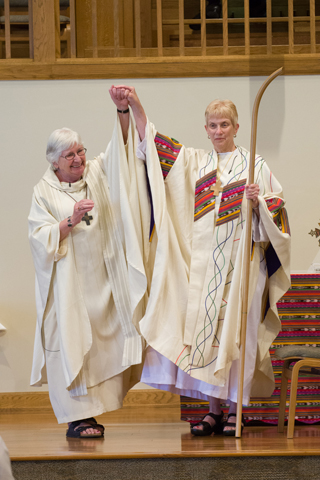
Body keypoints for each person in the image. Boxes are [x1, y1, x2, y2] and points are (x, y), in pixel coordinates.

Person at [109, 85, 291, 436]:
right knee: (203, 336)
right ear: (205, 128)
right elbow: (154, 143)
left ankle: (237, 410)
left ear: (237, 127)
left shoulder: (256, 165)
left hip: (242, 269)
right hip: (202, 268)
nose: (219, 131)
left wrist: (261, 203)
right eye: (212, 125)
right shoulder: (194, 162)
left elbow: (279, 216)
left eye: (225, 124)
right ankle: (213, 411)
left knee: (238, 334)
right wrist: (134, 105)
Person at [28, 111, 147, 438]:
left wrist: (124, 111)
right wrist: (71, 220)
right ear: (54, 162)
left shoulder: (96, 171)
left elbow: (122, 148)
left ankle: (94, 414)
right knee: (72, 341)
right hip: (71, 286)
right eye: (69, 155)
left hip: (106, 279)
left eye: (80, 151)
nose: (78, 158)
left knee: (105, 344)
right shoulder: (44, 192)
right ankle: (78, 419)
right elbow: (39, 238)